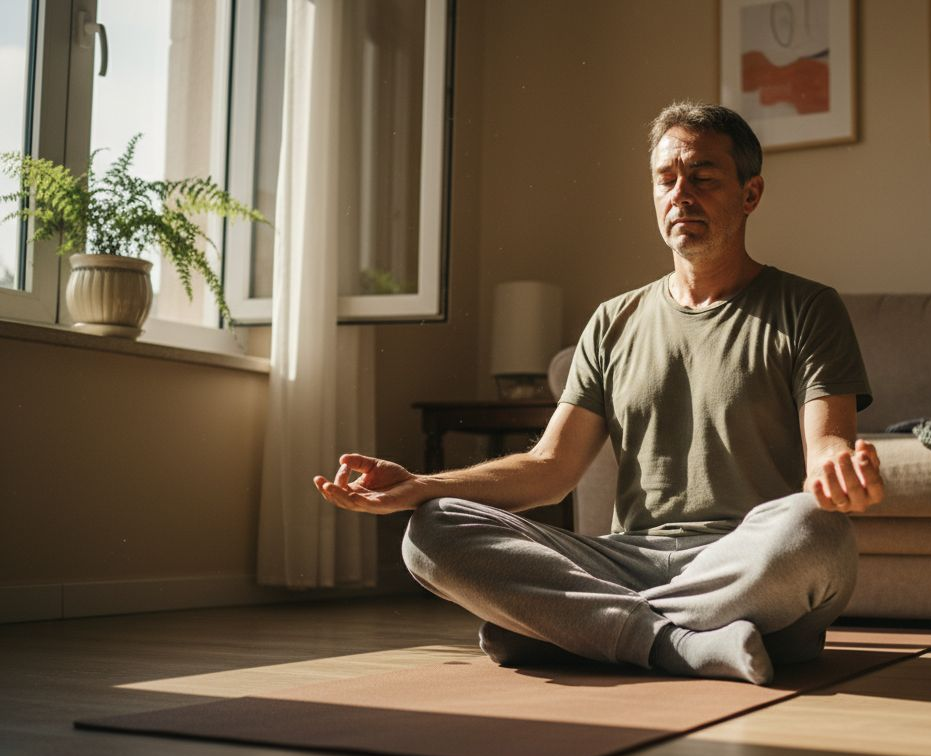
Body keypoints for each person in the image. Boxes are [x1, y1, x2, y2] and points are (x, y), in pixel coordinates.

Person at [314, 102, 884, 685]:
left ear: (750, 194)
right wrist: (419, 486)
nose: (681, 194)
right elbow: (549, 467)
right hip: (626, 561)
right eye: (666, 180)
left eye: (704, 178)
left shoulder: (808, 308)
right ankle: (677, 643)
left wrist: (841, 470)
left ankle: (576, 629)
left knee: (817, 531)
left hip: (744, 558)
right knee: (431, 532)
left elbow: (828, 446)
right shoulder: (614, 321)